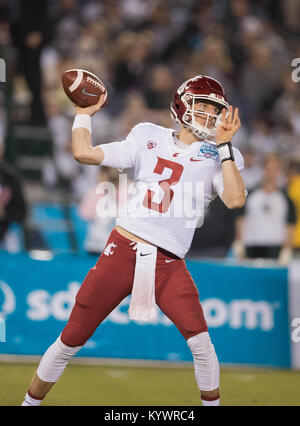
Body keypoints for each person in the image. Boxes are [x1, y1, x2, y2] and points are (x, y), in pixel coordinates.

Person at [22, 75, 246, 407]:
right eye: (203, 107)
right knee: (71, 338)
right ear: (182, 105)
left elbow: (235, 199)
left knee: (201, 343)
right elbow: (83, 153)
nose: (210, 116)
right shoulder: (147, 135)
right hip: (122, 251)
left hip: (169, 264)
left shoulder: (223, 154)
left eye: (216, 109)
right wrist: (84, 113)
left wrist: (226, 146)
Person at [234, 153, 296, 264]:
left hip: (275, 246)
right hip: (252, 245)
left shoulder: (286, 199)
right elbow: (241, 220)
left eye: (275, 168)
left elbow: (290, 226)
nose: (271, 171)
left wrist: (287, 249)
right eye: (269, 167)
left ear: (279, 171)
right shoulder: (250, 195)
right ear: (263, 169)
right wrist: (239, 244)